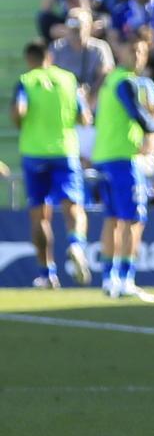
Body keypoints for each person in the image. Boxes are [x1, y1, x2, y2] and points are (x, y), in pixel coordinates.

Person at [92, 40, 154, 300]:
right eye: (133, 49)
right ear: (121, 51)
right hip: (122, 159)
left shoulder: (111, 80)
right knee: (134, 219)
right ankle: (126, 279)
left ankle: (109, 279)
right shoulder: (126, 82)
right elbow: (143, 121)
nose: (138, 55)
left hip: (105, 157)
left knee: (112, 218)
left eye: (142, 51)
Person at [10, 41, 92, 288]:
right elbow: (85, 118)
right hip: (64, 150)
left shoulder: (26, 80)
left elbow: (19, 112)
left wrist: (19, 120)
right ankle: (76, 245)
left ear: (29, 59)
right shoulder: (68, 80)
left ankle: (47, 273)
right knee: (73, 206)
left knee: (40, 215)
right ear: (50, 56)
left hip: (34, 154)